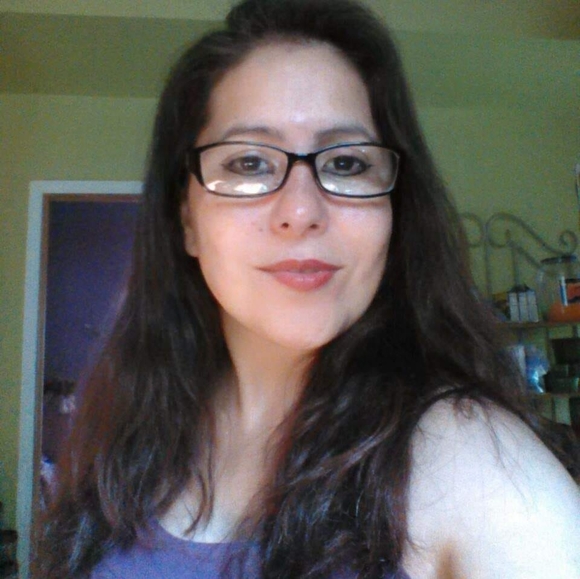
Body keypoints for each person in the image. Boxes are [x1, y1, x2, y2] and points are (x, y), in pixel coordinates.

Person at [38, 0, 580, 577]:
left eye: (346, 164)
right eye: (249, 163)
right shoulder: (130, 426)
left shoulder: (468, 459)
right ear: (187, 220)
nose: (301, 211)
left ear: (395, 211)